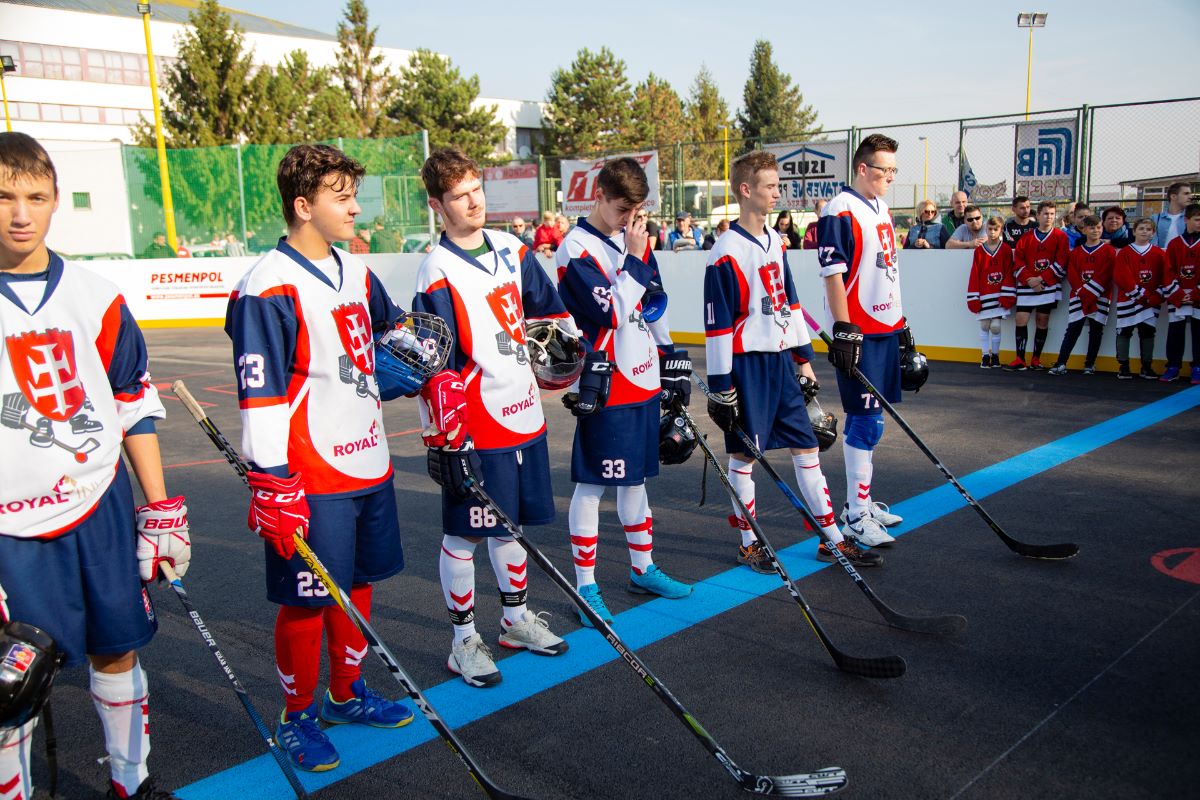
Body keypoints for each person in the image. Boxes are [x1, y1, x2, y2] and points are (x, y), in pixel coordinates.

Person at [0, 132, 190, 800]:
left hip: (97, 505)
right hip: (12, 529)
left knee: (117, 646)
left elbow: (133, 404)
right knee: (13, 680)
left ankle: (132, 783)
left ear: (56, 200)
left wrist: (160, 509)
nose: (20, 213)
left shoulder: (96, 295)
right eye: (4, 197)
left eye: (35, 197)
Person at [226, 144, 417, 773]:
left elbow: (394, 334)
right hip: (311, 474)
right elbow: (260, 391)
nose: (356, 208)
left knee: (357, 583)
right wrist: (271, 480)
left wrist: (423, 365)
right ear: (304, 206)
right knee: (309, 598)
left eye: (353, 195)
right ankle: (297, 715)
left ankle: (346, 693)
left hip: (369, 461)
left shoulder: (356, 271)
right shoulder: (266, 286)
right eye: (343, 197)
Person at [413, 147, 571, 688]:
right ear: (438, 205)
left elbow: (550, 312)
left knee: (513, 526)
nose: (473, 201)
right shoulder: (436, 271)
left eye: (476, 189)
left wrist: (567, 355)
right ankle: (463, 641)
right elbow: (435, 363)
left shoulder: (511, 247)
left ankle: (515, 620)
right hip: (478, 424)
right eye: (459, 196)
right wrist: (446, 436)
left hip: (524, 411)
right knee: (466, 534)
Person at [706, 149, 882, 571]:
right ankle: (749, 542)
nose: (776, 194)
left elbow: (791, 302)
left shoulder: (774, 240)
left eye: (777, 186)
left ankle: (831, 538)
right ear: (745, 190)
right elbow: (717, 326)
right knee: (745, 456)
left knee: (807, 446)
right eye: (770, 186)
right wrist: (721, 387)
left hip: (782, 363)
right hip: (747, 367)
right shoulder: (725, 252)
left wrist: (803, 360)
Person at [555, 157, 692, 626]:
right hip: (606, 381)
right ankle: (585, 587)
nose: (629, 220)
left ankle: (642, 568)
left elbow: (653, 303)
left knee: (636, 480)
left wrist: (671, 357)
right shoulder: (574, 249)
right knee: (593, 484)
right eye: (620, 210)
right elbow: (613, 312)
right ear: (598, 196)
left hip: (643, 377)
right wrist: (633, 257)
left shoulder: (633, 238)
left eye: (636, 212)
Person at [817, 133, 909, 549]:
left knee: (871, 419)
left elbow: (886, 270)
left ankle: (862, 502)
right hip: (860, 330)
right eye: (884, 170)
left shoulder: (882, 208)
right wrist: (844, 328)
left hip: (885, 327)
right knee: (866, 421)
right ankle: (855, 516)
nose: (890, 177)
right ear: (862, 168)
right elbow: (833, 274)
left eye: (893, 170)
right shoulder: (840, 209)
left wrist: (901, 323)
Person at [1047, 215, 1114, 376]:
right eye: (1091, 228)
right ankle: (1061, 362)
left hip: (1100, 296)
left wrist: (1091, 292)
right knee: (1073, 329)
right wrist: (1083, 293)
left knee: (1096, 330)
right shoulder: (1076, 252)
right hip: (1079, 297)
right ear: (1084, 230)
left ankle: (1090, 364)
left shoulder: (1109, 251)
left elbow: (1106, 274)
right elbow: (1072, 274)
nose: (1095, 230)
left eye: (1098, 227)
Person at [1007, 201, 1068, 371]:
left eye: (1052, 214)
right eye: (1045, 213)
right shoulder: (1026, 237)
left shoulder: (1060, 236)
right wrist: (1029, 280)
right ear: (1038, 215)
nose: (1049, 217)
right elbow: (1018, 261)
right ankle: (1020, 359)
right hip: (1027, 285)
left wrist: (1041, 279)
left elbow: (1062, 261)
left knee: (1042, 320)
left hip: (1047, 286)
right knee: (1021, 319)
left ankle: (1036, 359)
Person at [1112, 218, 1166, 379]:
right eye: (1141, 228)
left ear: (1153, 233)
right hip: (1128, 299)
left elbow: (1165, 276)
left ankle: (1146, 367)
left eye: (1148, 229)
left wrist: (1155, 295)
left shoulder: (1159, 253)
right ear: (1134, 231)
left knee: (1147, 332)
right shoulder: (1125, 252)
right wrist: (1140, 294)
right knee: (1124, 331)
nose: (1145, 232)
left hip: (1150, 301)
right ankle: (1124, 366)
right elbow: (1121, 276)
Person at [966, 216, 1017, 368]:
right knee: (984, 325)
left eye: (996, 229)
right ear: (986, 229)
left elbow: (1009, 273)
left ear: (1001, 230)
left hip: (999, 295)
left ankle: (995, 356)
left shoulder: (1006, 250)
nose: (992, 232)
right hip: (984, 294)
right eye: (990, 229)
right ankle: (984, 356)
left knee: (996, 326)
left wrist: (1007, 295)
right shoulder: (979, 251)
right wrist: (974, 297)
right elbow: (975, 274)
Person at [1160, 203, 1200, 383]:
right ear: (1186, 220)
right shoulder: (1175, 244)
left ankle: (1198, 367)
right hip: (1178, 296)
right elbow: (1168, 271)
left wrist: (1195, 294)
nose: (1199, 223)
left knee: (1199, 333)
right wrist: (1177, 293)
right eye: (1197, 219)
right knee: (1175, 332)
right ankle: (1173, 366)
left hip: (1197, 296)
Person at [1152, 182, 1193, 249]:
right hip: (1162, 255)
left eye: (1190, 194)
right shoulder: (1156, 218)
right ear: (1173, 196)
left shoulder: (1192, 218)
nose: (1190, 197)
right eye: (1186, 193)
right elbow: (1153, 245)